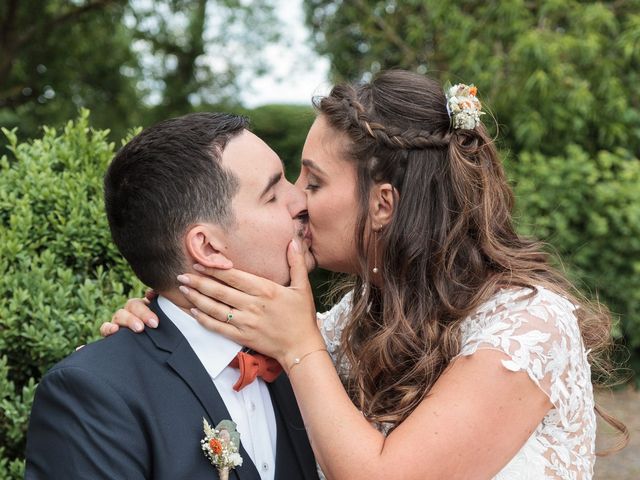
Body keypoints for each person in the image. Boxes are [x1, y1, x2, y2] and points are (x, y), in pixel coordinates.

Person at [106, 71, 627, 479]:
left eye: (313, 181)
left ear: (382, 204)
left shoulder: (527, 329)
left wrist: (301, 349)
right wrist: (166, 316)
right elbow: (221, 354)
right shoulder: (345, 323)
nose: (297, 202)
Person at [25, 112, 319, 480]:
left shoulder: (312, 363)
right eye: (274, 194)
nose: (301, 200)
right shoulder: (96, 393)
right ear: (208, 247)